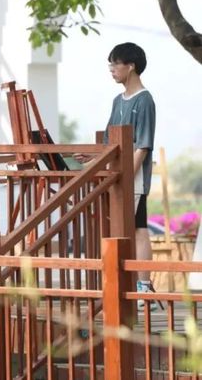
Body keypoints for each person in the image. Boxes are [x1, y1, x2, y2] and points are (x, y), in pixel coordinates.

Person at [75, 42, 158, 308]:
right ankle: (127, 284)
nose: (111, 69)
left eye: (115, 64)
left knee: (137, 228)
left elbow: (143, 146)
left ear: (130, 66)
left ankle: (142, 286)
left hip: (133, 176)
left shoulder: (145, 100)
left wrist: (125, 176)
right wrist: (93, 159)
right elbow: (111, 144)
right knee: (134, 228)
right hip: (117, 175)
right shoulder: (117, 101)